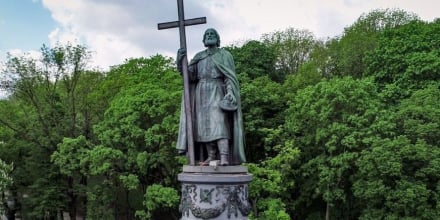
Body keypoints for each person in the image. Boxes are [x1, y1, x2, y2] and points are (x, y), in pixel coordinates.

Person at [176, 28, 245, 166]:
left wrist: (230, 92)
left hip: (217, 90)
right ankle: (211, 156)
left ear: (217, 39)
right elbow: (189, 77)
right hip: (201, 94)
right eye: (206, 34)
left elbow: (229, 77)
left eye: (212, 34)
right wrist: (180, 62)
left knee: (219, 124)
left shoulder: (224, 55)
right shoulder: (199, 56)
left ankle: (224, 157)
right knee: (204, 127)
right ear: (203, 40)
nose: (209, 36)